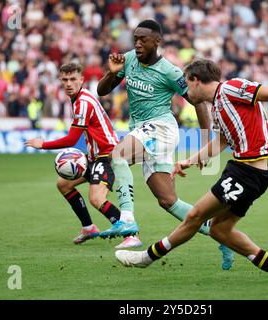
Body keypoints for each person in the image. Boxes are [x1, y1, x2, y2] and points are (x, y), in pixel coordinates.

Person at [115, 59, 268, 286]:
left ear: (196, 80)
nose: (186, 91)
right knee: (220, 230)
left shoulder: (232, 88)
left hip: (247, 172)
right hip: (251, 172)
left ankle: (146, 257)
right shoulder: (219, 105)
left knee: (195, 216)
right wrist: (189, 161)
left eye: (187, 84)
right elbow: (222, 141)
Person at [97, 20, 235, 270]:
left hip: (161, 128)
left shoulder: (170, 72)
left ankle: (126, 218)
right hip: (142, 131)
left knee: (117, 156)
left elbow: (198, 102)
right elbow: (102, 91)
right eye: (135, 38)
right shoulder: (128, 60)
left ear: (157, 41)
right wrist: (112, 72)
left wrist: (206, 143)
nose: (137, 43)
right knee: (168, 200)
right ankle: (220, 235)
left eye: (143, 39)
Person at [24, 62, 141, 249]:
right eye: (64, 80)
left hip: (108, 155)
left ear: (81, 80)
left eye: (72, 79)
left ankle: (131, 234)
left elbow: (72, 139)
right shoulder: (78, 99)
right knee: (64, 184)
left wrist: (43, 144)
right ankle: (89, 227)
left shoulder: (83, 102)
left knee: (96, 198)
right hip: (95, 155)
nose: (68, 83)